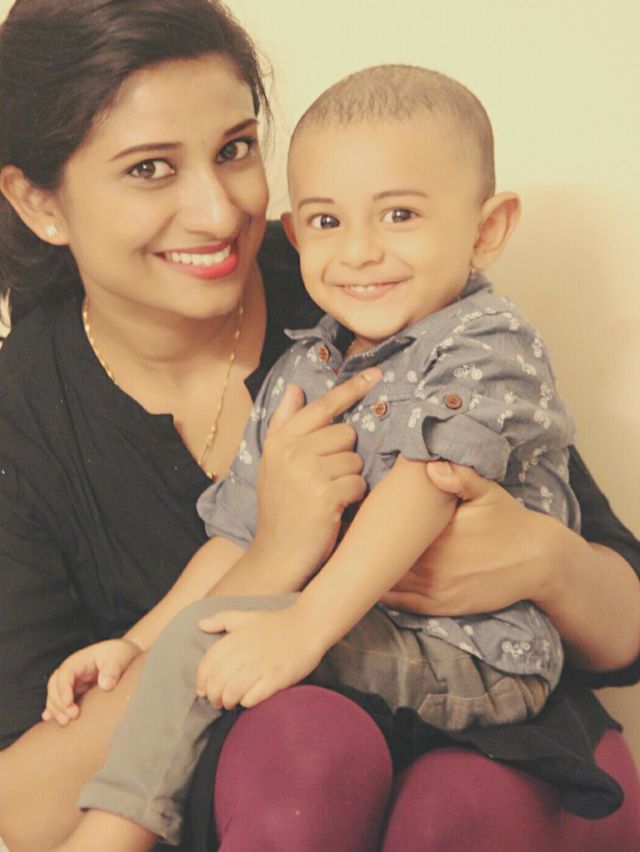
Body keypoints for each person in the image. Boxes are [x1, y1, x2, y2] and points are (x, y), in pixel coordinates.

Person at [0, 2, 637, 851]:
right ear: (39, 202)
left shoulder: (377, 292)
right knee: (298, 750)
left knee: (440, 805)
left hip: (502, 739)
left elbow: (623, 629)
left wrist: (544, 560)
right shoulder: (29, 420)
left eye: (235, 150)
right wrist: (270, 558)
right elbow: (20, 806)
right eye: (150, 168)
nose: (218, 213)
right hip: (280, 790)